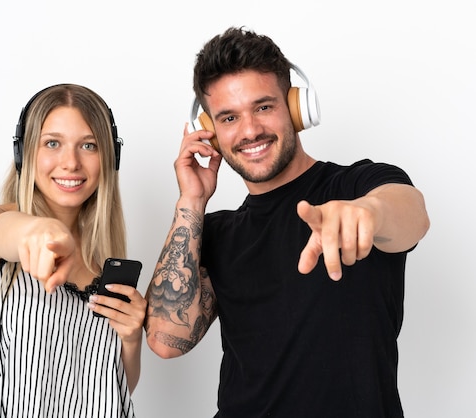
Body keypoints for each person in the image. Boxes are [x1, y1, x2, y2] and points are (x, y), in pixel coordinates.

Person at [144, 27, 430, 418]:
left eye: (263, 107)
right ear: (208, 133)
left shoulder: (357, 185)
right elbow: (166, 340)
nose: (249, 131)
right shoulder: (217, 232)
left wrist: (368, 213)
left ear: (296, 108)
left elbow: (412, 214)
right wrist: (191, 199)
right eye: (229, 117)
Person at [0, 84, 146, 418]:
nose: (71, 162)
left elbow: (112, 388)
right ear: (25, 153)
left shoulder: (106, 267)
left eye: (88, 145)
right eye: (53, 143)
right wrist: (37, 230)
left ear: (108, 158)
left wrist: (131, 340)